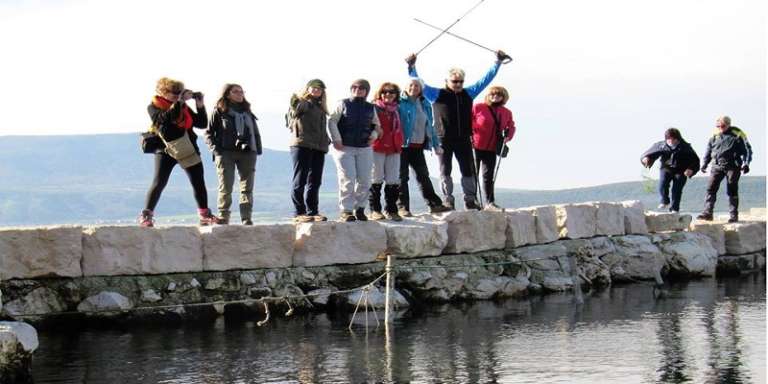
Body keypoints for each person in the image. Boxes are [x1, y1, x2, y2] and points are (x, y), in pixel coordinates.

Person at [405, 50, 509, 210]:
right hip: (443, 138)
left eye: (461, 81)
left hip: (464, 139)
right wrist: (411, 66)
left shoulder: (468, 93)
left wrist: (497, 63)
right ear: (447, 81)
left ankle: (470, 200)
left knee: (468, 170)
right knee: (445, 170)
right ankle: (448, 200)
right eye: (455, 81)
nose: (458, 84)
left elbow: (485, 81)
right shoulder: (436, 94)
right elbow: (419, 83)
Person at [140, 77, 221, 227]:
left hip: (188, 147)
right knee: (159, 181)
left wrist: (199, 104)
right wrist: (180, 101)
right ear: (163, 92)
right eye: (174, 93)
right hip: (166, 149)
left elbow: (202, 123)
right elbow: (165, 119)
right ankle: (146, 215)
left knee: (198, 181)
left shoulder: (182, 106)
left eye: (179, 93)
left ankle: (204, 214)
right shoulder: (154, 106)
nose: (177, 96)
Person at [205, 83, 262, 225]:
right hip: (226, 153)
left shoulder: (247, 111)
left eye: (242, 91)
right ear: (227, 94)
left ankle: (246, 217)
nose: (240, 94)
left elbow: (254, 132)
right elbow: (208, 133)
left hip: (248, 153)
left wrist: (256, 149)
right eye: (236, 92)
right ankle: (223, 216)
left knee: (247, 187)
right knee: (226, 186)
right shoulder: (219, 111)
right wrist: (216, 150)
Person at [327, 79, 382, 222]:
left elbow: (377, 125)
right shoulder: (343, 104)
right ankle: (346, 210)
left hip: (364, 148)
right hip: (344, 147)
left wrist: (374, 136)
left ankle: (360, 208)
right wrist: (336, 139)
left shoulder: (371, 108)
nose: (358, 90)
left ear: (366, 91)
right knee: (348, 179)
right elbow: (332, 121)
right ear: (351, 89)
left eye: (362, 88)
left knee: (365, 180)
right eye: (355, 87)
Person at [397, 78, 450, 216]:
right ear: (406, 87)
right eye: (411, 85)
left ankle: (434, 204)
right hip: (402, 146)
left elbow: (430, 126)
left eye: (416, 86)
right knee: (401, 177)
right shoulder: (399, 102)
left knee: (423, 176)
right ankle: (402, 207)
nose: (413, 88)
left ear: (421, 89)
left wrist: (435, 144)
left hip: (418, 145)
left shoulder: (424, 103)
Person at [287, 79, 331, 223]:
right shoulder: (303, 103)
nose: (317, 90)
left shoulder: (321, 108)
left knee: (315, 181)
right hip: (302, 145)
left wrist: (326, 140)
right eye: (314, 87)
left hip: (319, 147)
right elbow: (295, 108)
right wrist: (295, 101)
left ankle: (313, 211)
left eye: (320, 88)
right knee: (300, 179)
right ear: (308, 88)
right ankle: (299, 212)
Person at [697, 116, 751, 222]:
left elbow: (747, 150)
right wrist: (705, 164)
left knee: (731, 189)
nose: (720, 128)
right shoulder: (715, 136)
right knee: (710, 188)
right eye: (718, 126)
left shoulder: (738, 134)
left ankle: (733, 215)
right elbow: (709, 150)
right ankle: (707, 213)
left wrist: (746, 164)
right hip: (717, 166)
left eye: (722, 126)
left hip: (733, 166)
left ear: (728, 125)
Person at [471, 85, 515, 211]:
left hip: (491, 147)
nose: (495, 97)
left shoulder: (506, 112)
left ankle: (490, 202)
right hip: (476, 145)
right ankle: (472, 201)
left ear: (503, 97)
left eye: (498, 95)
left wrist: (508, 136)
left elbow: (511, 126)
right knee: (473, 173)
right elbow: (470, 122)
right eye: (492, 94)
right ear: (488, 96)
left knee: (488, 176)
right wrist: (471, 133)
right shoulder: (478, 107)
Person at [641, 128, 700, 213]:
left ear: (678, 139)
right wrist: (646, 158)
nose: (671, 142)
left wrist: (691, 169)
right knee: (663, 183)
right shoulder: (661, 145)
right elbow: (650, 154)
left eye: (674, 139)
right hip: (666, 168)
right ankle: (664, 201)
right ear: (666, 139)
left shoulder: (686, 147)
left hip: (681, 170)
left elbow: (695, 161)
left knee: (677, 189)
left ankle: (675, 208)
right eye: (669, 139)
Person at [369, 82, 405, 221]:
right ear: (380, 93)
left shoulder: (397, 110)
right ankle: (375, 210)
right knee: (376, 178)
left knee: (393, 180)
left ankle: (391, 209)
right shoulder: (374, 108)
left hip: (394, 147)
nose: (388, 94)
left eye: (391, 92)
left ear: (396, 95)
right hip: (377, 146)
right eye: (385, 92)